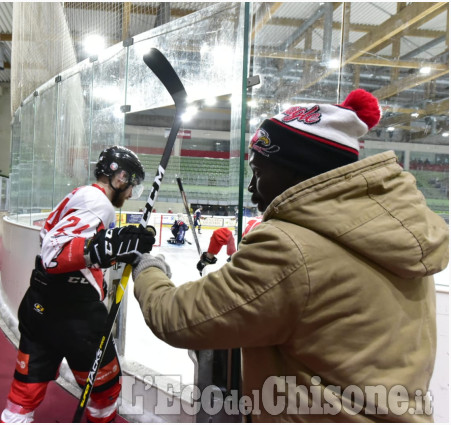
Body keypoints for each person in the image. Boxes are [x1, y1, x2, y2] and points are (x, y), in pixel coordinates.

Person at [129, 89, 449, 421]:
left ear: (298, 172)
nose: (252, 187)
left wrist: (148, 267)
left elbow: (180, 319)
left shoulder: (289, 248)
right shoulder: (402, 234)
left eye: (259, 171)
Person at [1, 146, 155, 423]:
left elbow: (72, 249)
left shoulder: (81, 195)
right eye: (132, 186)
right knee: (105, 393)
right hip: (75, 315)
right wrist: (105, 245)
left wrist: (114, 250)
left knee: (25, 393)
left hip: (40, 303)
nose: (131, 193)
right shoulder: (99, 203)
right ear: (120, 177)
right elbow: (54, 254)